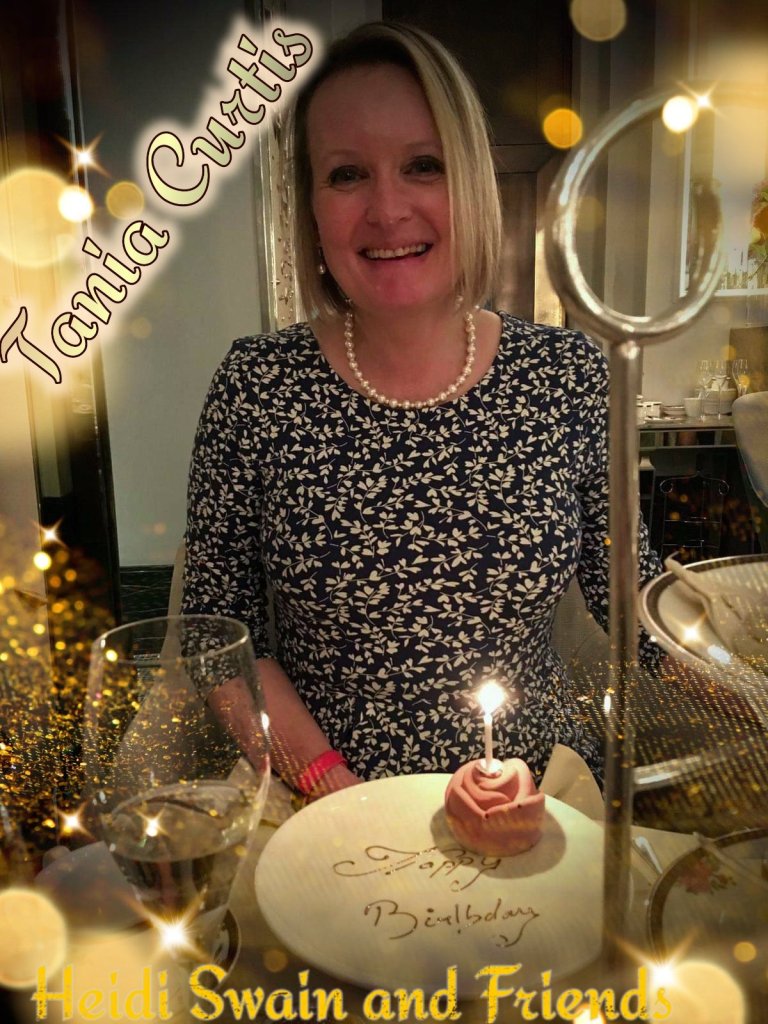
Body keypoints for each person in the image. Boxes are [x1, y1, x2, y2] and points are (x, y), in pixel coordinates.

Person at [181, 21, 661, 801]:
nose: (387, 209)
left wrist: (735, 669)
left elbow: (634, 604)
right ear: (310, 205)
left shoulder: (570, 375)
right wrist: (336, 793)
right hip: (325, 810)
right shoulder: (255, 387)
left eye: (422, 165)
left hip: (538, 807)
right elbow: (218, 637)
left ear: (469, 179)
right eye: (346, 175)